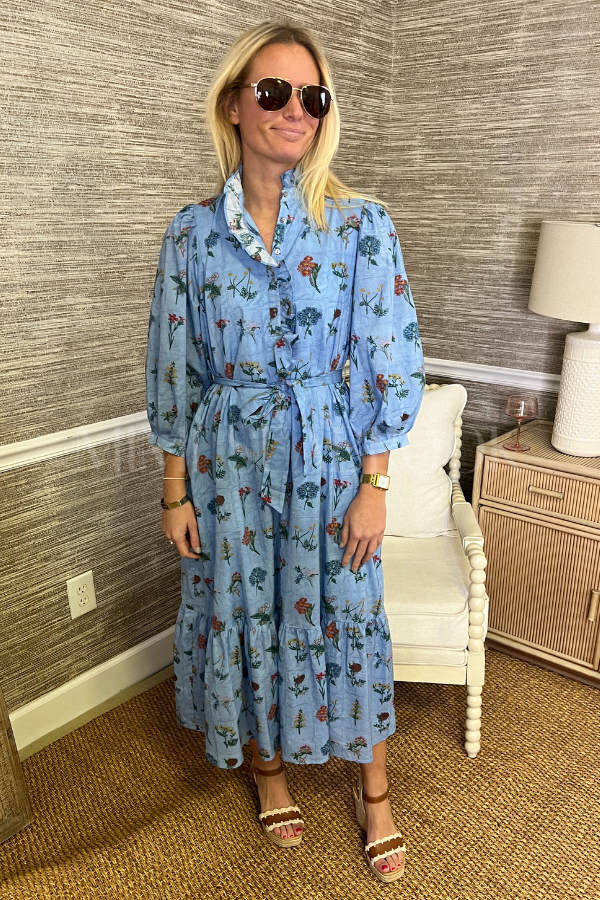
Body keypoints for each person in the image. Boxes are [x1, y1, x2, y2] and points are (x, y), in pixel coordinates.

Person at [145, 18, 425, 883]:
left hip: (330, 464)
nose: (295, 109)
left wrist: (376, 483)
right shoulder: (191, 235)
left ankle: (375, 793)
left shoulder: (360, 227)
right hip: (224, 465)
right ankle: (269, 773)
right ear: (235, 105)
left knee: (350, 611)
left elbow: (386, 357)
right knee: (243, 610)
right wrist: (173, 491)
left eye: (313, 95)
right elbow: (175, 368)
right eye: (274, 91)